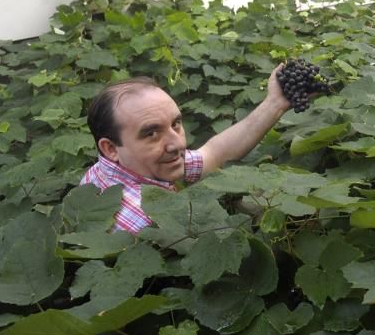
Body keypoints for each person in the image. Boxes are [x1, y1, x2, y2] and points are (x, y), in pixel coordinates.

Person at [80, 67, 290, 233]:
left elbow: (213, 155)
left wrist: (275, 103)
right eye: (151, 133)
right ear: (110, 148)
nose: (178, 144)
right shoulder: (145, 221)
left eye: (176, 124)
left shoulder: (119, 166)